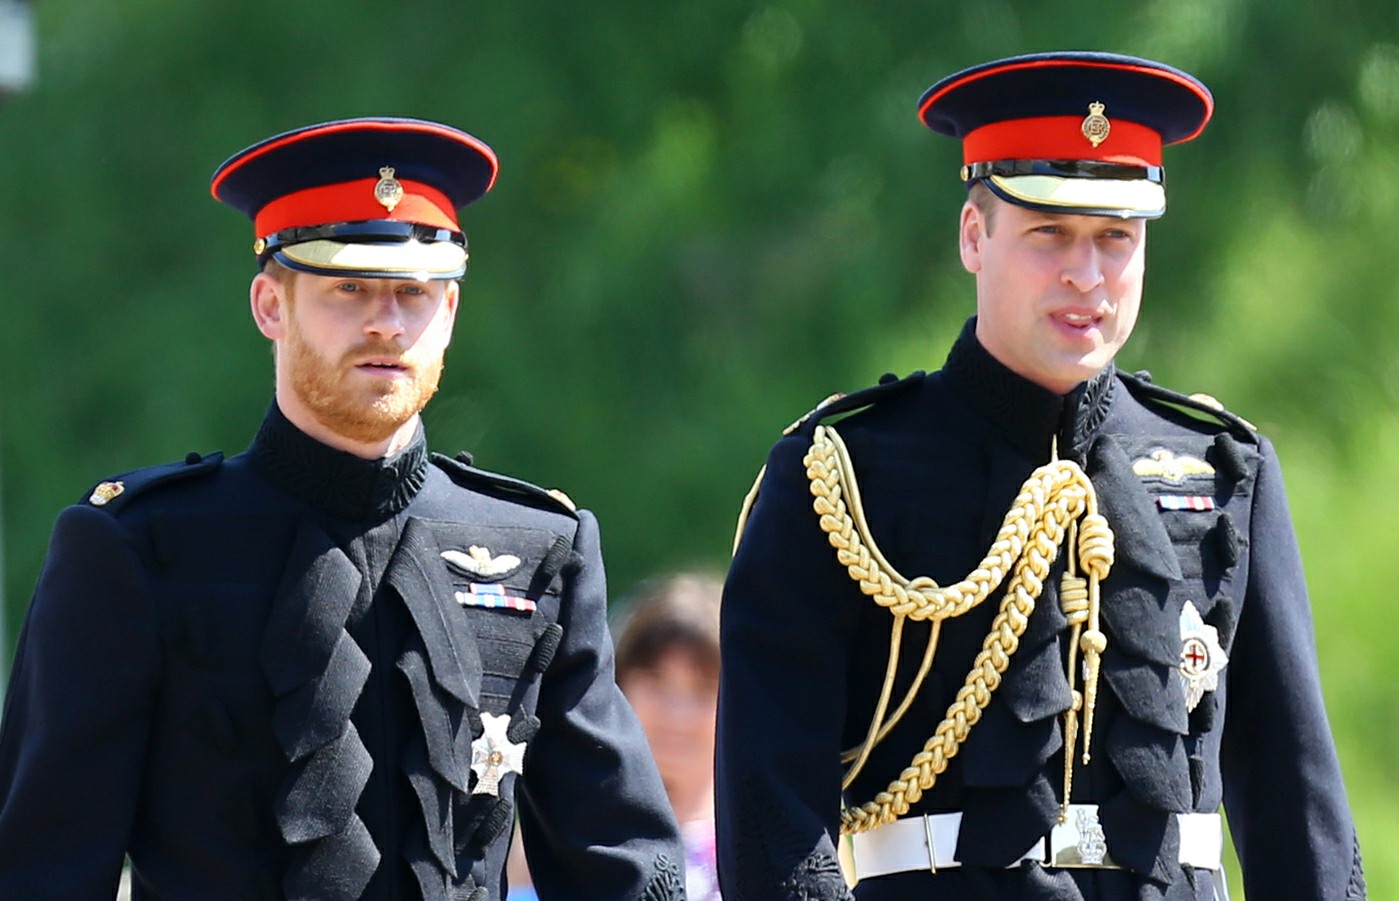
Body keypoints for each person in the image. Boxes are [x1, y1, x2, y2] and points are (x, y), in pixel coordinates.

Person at [716, 52, 1366, 901]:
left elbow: (1295, 800)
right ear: (973, 236)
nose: (1085, 276)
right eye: (1049, 234)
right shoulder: (842, 473)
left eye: (1115, 238)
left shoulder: (1223, 470)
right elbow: (771, 817)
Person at [0, 116, 686, 901]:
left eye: (414, 293)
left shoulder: (539, 548)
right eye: (348, 287)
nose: (385, 323)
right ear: (269, 305)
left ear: (450, 314)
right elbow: (42, 867)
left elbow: (624, 863)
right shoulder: (141, 548)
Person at [613, 573, 724, 901]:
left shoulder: (771, 845)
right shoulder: (563, 830)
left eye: (704, 690)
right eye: (657, 682)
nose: (678, 715)